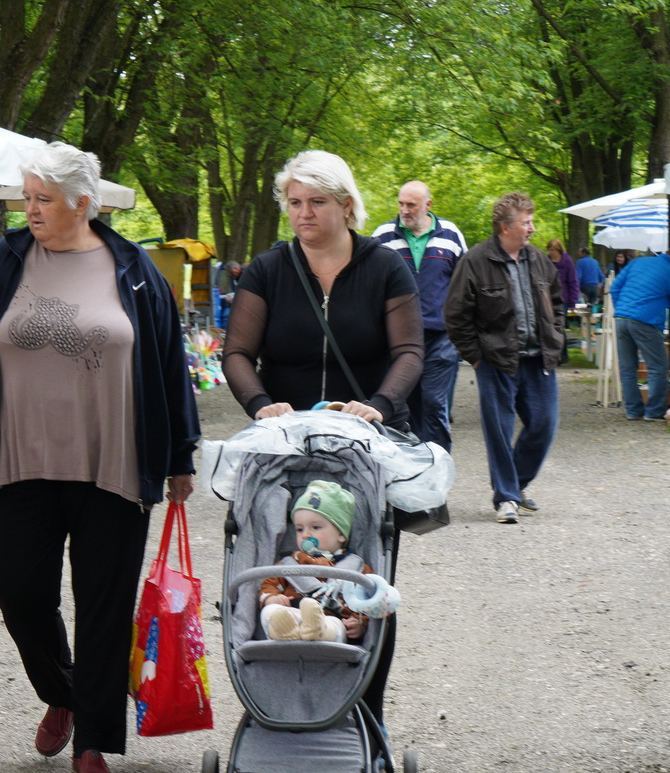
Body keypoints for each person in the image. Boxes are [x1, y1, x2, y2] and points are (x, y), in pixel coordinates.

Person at [0, 142, 200, 773]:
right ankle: (66, 693)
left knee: (104, 606)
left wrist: (180, 455)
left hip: (115, 465)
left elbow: (168, 362)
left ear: (83, 202)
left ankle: (94, 744)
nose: (31, 209)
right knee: (20, 595)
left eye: (43, 199)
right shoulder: (3, 265)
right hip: (22, 462)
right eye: (27, 198)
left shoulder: (133, 269)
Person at [222, 150, 423, 428]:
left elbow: (410, 351)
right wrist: (260, 404)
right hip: (286, 433)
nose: (305, 213)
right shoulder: (265, 270)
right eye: (295, 203)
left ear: (346, 205)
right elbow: (237, 353)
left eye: (317, 201)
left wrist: (380, 406)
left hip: (371, 432)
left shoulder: (387, 267)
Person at [443, 192, 564, 525]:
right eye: (526, 222)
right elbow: (455, 315)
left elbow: (557, 302)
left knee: (544, 425)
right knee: (499, 431)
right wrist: (476, 357)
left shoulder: (539, 260)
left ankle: (515, 482)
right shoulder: (475, 261)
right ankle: (507, 497)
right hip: (496, 362)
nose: (532, 228)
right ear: (505, 228)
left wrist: (555, 336)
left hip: (539, 360)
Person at [370, 181, 468, 450]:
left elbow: (465, 284)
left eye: (411, 205)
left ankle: (439, 465)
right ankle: (411, 465)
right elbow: (370, 285)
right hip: (397, 339)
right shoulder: (382, 236)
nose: (404, 210)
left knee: (434, 403)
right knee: (402, 405)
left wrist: (463, 331)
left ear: (428, 205)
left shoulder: (450, 235)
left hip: (440, 337)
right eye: (401, 204)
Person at [259, 480, 374, 643]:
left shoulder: (356, 567)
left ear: (341, 534)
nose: (305, 535)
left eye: (316, 527)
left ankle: (318, 631)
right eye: (300, 529)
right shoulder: (291, 562)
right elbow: (269, 584)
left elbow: (368, 599)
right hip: (294, 615)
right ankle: (284, 631)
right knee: (271, 611)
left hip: (331, 620)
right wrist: (272, 598)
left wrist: (360, 623)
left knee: (335, 626)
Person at [609, 248, 670, 421]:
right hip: (646, 321)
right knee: (658, 367)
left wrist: (622, 308)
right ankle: (654, 411)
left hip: (621, 319)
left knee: (627, 368)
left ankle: (633, 410)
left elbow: (614, 287)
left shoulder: (637, 262)